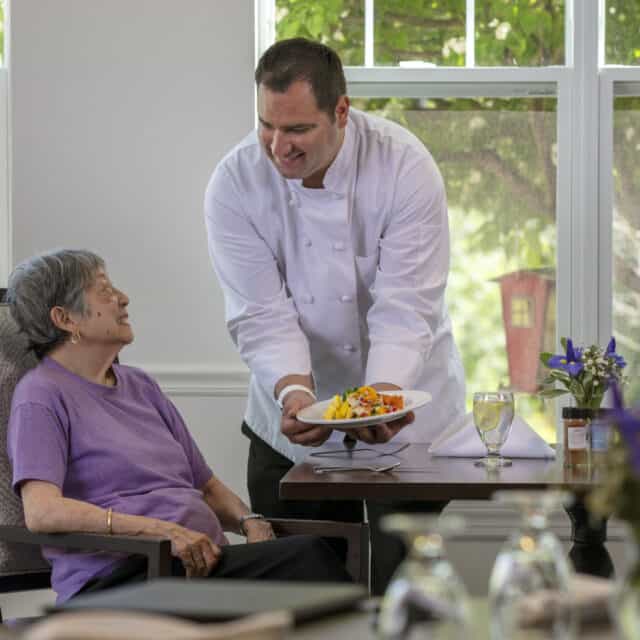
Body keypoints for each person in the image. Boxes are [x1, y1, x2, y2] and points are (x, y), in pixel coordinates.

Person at [204, 38, 465, 594]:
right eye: (266, 125)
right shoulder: (234, 183)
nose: (278, 147)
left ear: (341, 111)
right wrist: (295, 394)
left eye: (297, 130)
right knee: (303, 592)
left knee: (402, 591)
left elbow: (406, 305)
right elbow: (261, 313)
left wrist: (381, 399)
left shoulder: (403, 166)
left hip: (408, 407)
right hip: (291, 422)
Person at [6, 249, 351, 604]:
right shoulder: (41, 395)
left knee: (320, 557)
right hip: (119, 579)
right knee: (310, 561)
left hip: (194, 567)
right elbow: (43, 511)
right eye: (104, 291)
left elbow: (209, 488)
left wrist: (250, 520)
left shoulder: (140, 386)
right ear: (65, 318)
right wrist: (161, 532)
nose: (123, 299)